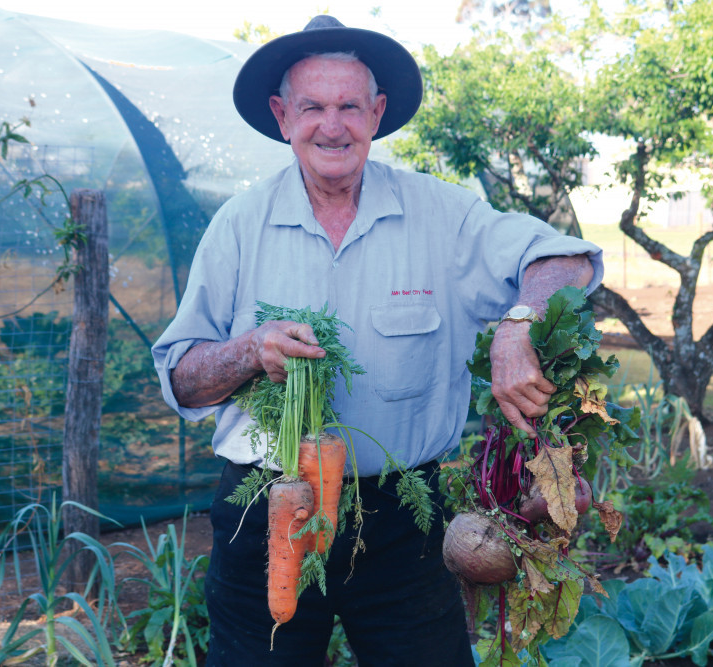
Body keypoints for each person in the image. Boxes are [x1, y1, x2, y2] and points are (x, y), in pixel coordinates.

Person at [152, 14, 604, 666]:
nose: (331, 126)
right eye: (312, 107)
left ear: (378, 112)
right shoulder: (238, 226)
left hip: (403, 520)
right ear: (283, 116)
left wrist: (518, 323)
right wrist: (249, 349)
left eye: (349, 107)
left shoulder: (443, 216)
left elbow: (566, 260)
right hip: (270, 511)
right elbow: (184, 377)